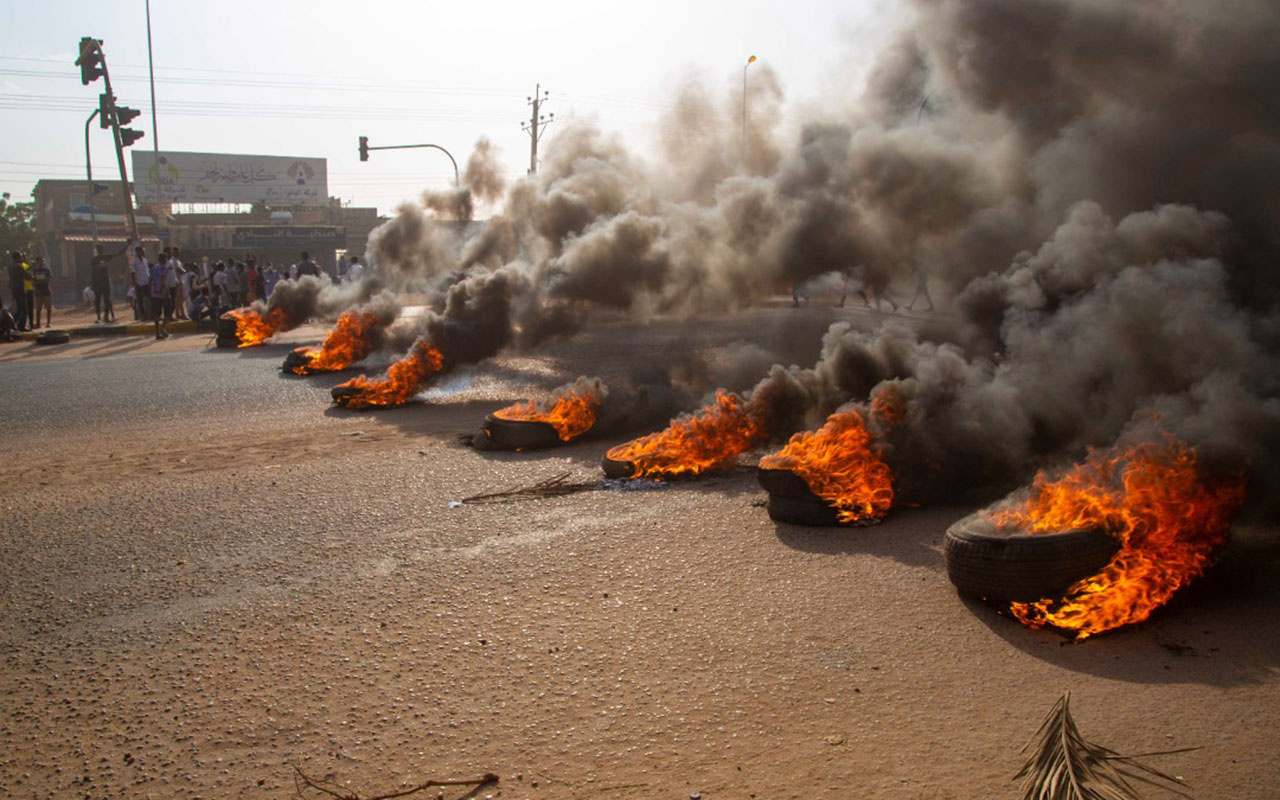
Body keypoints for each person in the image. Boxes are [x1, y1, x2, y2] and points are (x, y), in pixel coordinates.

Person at [149, 254, 170, 339]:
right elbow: (163, 279)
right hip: (162, 292)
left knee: (156, 314)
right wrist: (166, 290)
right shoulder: (164, 267)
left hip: (154, 293)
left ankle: (158, 333)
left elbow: (150, 280)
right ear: (165, 259)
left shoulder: (154, 267)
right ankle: (162, 328)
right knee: (168, 312)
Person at [30, 256, 53, 328]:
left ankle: (48, 322)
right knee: (38, 309)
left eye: (43, 261)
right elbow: (33, 281)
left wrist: (38, 281)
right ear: (37, 262)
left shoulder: (46, 270)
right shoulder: (34, 271)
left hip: (46, 291)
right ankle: (38, 323)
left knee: (48, 307)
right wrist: (41, 281)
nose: (42, 262)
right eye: (41, 261)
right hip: (38, 291)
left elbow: (49, 279)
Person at [8, 251, 28, 331]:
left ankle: (12, 324)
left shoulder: (10, 266)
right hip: (20, 289)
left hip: (14, 289)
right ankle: (21, 326)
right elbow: (27, 276)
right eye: (20, 256)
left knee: (18, 308)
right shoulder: (19, 267)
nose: (21, 258)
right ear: (17, 257)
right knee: (23, 308)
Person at [130, 246, 151, 321]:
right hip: (139, 284)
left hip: (146, 283)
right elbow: (132, 273)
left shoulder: (145, 260)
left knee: (151, 299)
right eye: (141, 251)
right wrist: (135, 285)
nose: (143, 252)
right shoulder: (134, 262)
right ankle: (142, 316)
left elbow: (147, 272)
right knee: (140, 301)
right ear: (137, 252)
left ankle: (151, 315)